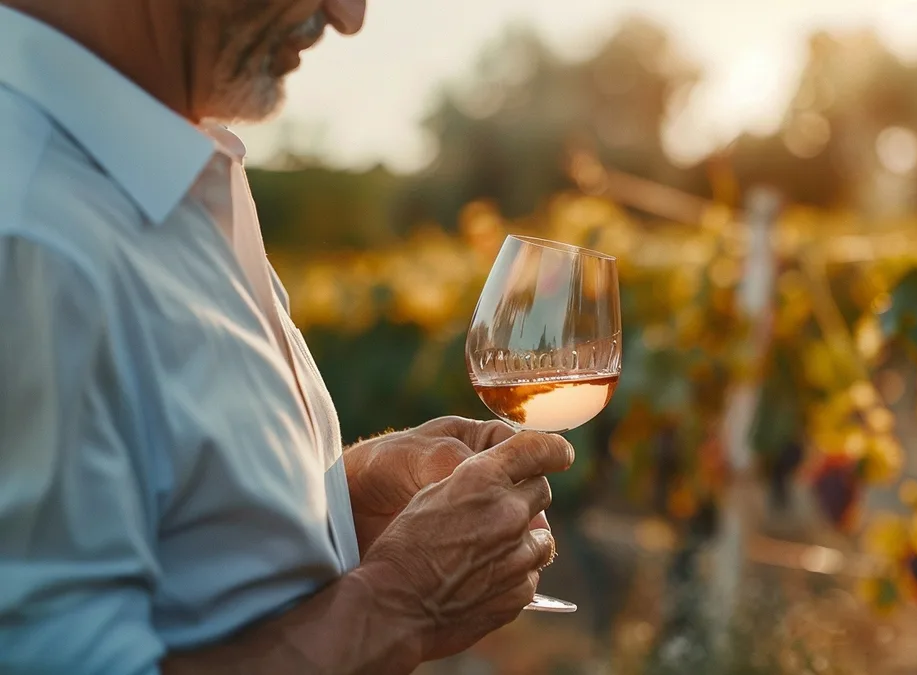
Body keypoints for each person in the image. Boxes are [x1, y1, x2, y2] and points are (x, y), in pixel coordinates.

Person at [0, 1, 574, 673]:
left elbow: (180, 541)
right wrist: (401, 599)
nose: (347, 15)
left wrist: (342, 496)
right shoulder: (32, 233)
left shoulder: (171, 174)